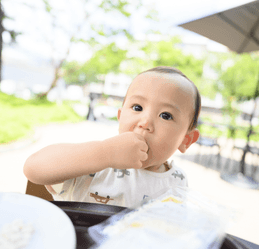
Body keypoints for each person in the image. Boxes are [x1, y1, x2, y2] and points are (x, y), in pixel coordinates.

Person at [23, 66, 201, 207]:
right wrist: (104, 153)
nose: (145, 122)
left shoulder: (177, 182)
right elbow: (33, 168)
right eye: (137, 107)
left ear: (186, 141)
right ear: (120, 116)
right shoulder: (94, 162)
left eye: (166, 115)